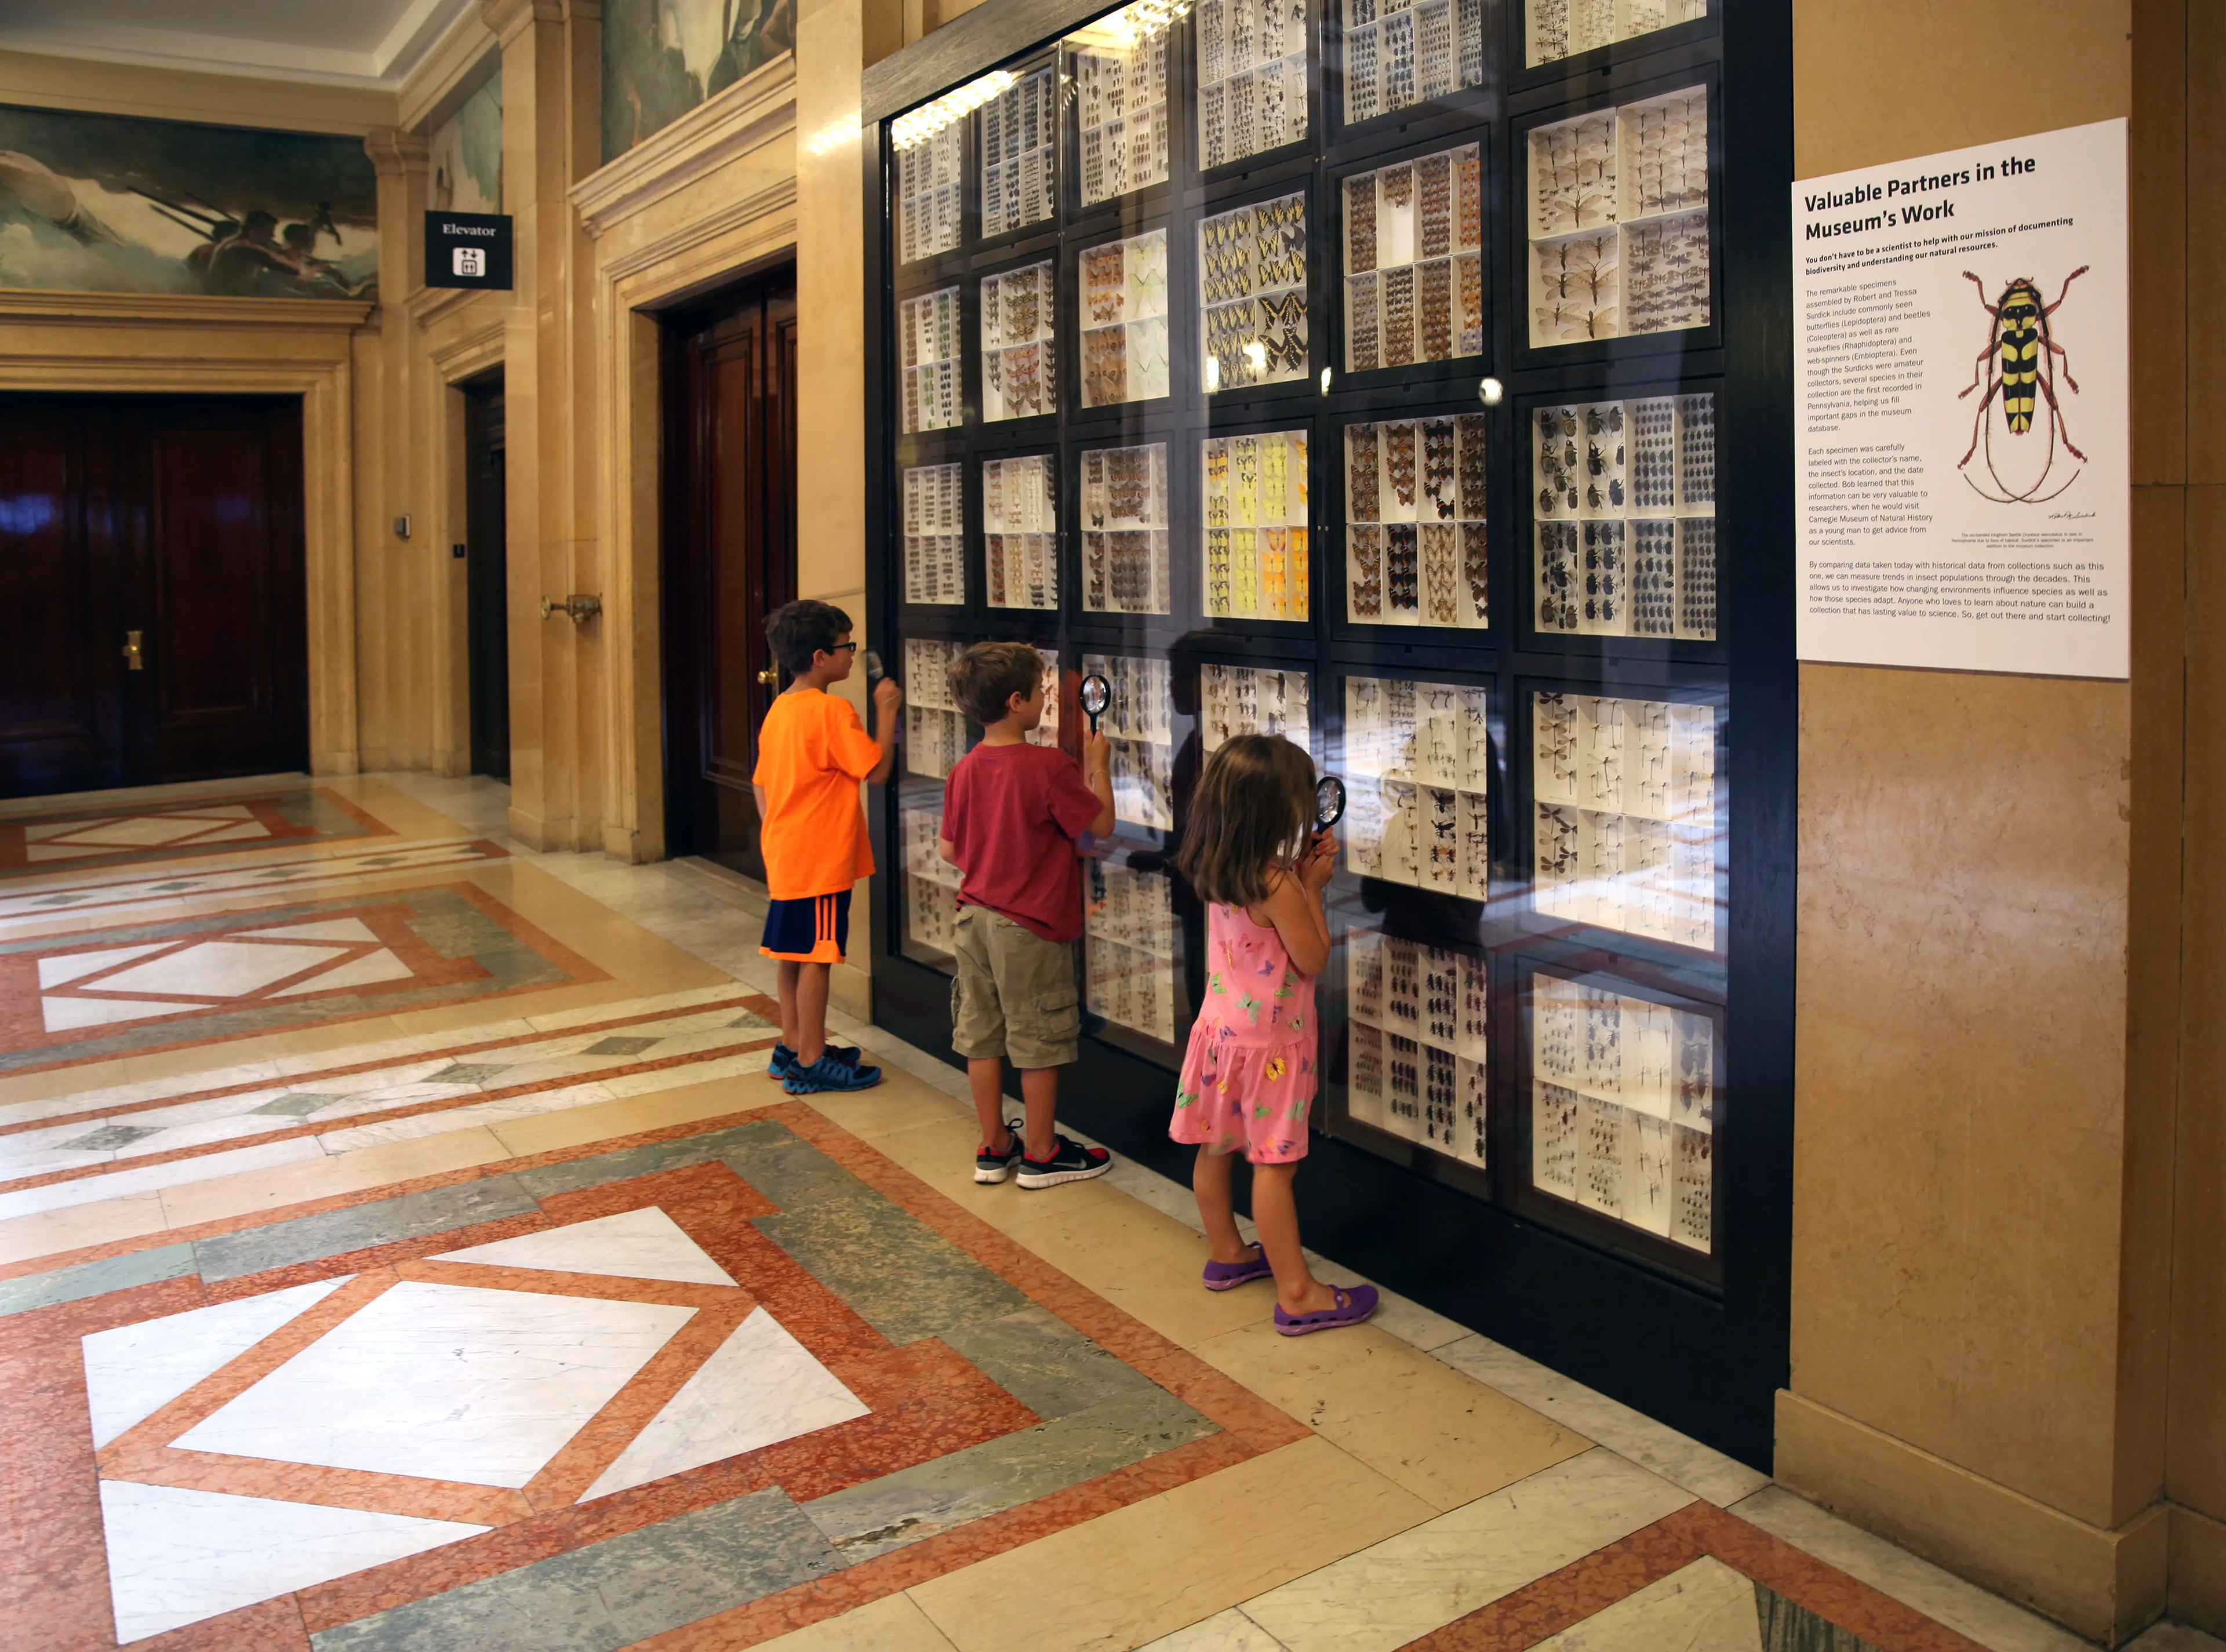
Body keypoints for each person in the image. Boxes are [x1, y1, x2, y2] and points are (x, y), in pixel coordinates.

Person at [1170, 734, 1378, 1334]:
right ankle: (1298, 1292)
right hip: (1271, 1052)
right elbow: (1312, 958)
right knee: (1273, 1165)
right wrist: (1312, 890)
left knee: (1216, 1145)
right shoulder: (1278, 884)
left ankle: (1228, 1253)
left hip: (1219, 1035)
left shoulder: (1218, 868)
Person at [938, 641, 1117, 1190]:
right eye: (1041, 691)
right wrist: (1098, 767)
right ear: (1018, 701)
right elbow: (1100, 828)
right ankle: (1042, 1152)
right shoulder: (1048, 766)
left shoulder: (966, 768)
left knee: (982, 1036)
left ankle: (994, 1145)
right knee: (1038, 1039)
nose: (1046, 699)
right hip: (1030, 927)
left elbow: (949, 851)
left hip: (974, 919)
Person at [751, 600, 901, 1094]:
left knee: (790, 954)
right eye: (846, 647)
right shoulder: (834, 710)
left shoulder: (781, 708)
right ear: (820, 657)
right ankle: (812, 1060)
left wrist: (778, 833)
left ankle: (792, 1044)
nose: (852, 655)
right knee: (818, 955)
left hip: (786, 851)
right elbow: (875, 770)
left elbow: (761, 785)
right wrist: (886, 713)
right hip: (820, 858)